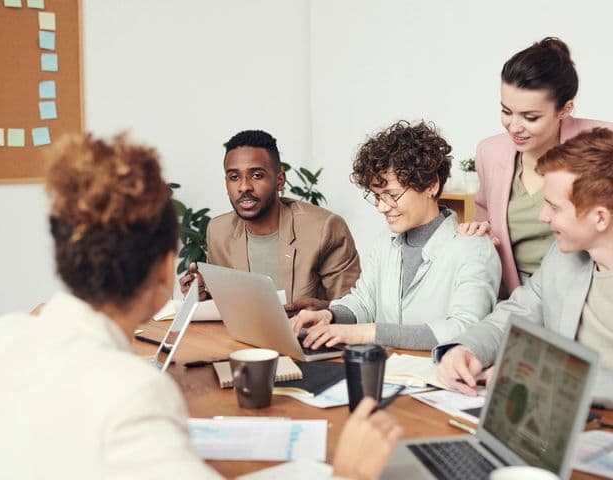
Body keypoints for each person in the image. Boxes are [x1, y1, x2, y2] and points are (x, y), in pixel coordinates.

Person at [0, 133, 402, 479]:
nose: (244, 187)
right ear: (162, 269)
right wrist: (347, 474)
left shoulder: (4, 337)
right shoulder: (133, 393)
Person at [437, 128, 613, 407]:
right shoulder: (563, 256)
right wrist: (468, 348)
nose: (542, 217)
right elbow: (518, 312)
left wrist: (547, 379)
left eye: (554, 208)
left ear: (600, 218)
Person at [291, 121, 501, 351]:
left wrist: (368, 333)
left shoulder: (473, 248)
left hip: (439, 378)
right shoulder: (385, 243)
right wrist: (330, 316)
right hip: (389, 374)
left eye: (391, 195)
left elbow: (465, 328)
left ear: (431, 185)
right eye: (377, 196)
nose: (382, 207)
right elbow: (363, 302)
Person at [458, 37, 613, 297]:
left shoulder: (600, 143)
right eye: (506, 111)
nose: (514, 127)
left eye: (531, 117)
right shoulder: (490, 152)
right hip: (512, 295)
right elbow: (484, 217)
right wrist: (478, 232)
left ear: (565, 109)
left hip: (586, 294)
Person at [179, 129, 360, 313]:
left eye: (257, 175)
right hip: (244, 340)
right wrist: (202, 297)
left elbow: (355, 311)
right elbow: (228, 308)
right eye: (234, 177)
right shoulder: (219, 230)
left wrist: (325, 309)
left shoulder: (324, 228)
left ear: (279, 180)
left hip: (307, 339)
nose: (244, 187)